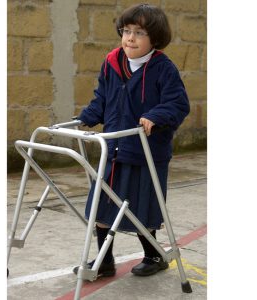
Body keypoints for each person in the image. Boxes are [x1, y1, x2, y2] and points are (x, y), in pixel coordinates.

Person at [73, 3, 190, 278]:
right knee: (102, 206)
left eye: (139, 32)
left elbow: (178, 103)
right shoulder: (112, 62)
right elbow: (102, 98)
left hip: (146, 152)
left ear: (155, 39)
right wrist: (86, 117)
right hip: (112, 149)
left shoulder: (163, 69)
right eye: (126, 31)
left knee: (142, 207)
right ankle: (104, 260)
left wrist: (156, 116)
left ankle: (153, 256)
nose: (130, 38)